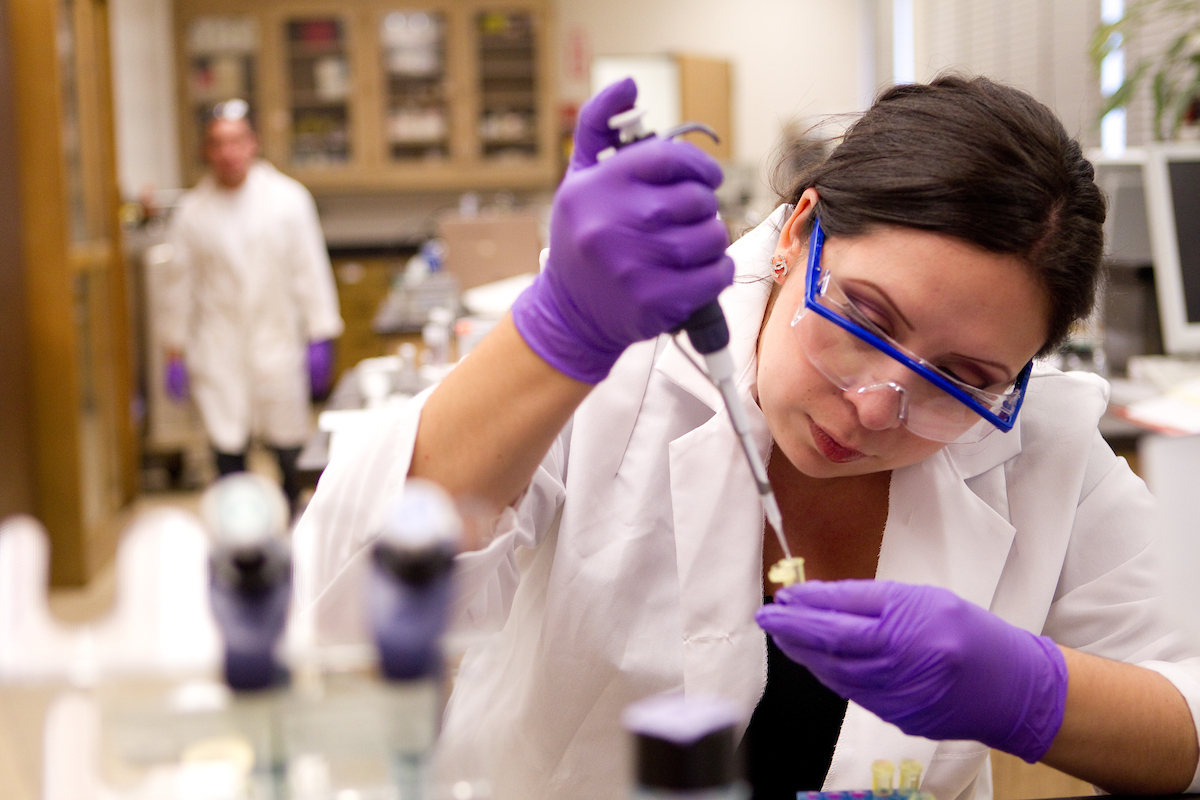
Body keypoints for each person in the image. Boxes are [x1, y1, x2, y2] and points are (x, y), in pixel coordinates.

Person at [295, 76, 1200, 800]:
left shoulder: (1044, 446)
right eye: (864, 316)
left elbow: (1188, 717)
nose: (878, 408)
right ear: (799, 232)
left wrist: (1034, 693)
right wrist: (555, 335)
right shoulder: (627, 361)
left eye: (963, 378)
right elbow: (342, 616)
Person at [160, 99, 343, 512]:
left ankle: (297, 524)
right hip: (219, 344)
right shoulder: (192, 212)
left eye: (236, 141)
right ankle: (240, 533)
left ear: (253, 144)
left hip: (275, 338)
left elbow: (309, 270)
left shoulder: (288, 200)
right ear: (206, 151)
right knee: (228, 448)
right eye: (217, 144)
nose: (228, 153)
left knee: (288, 445)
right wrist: (174, 349)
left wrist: (320, 335)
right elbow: (178, 288)